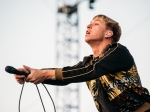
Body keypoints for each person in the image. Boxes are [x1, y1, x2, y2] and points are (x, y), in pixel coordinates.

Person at [14, 14, 150, 112]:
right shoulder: (88, 63)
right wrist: (31, 73)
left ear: (108, 33)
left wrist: (43, 74)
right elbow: (66, 76)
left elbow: (90, 71)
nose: (88, 25)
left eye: (96, 23)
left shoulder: (118, 51)